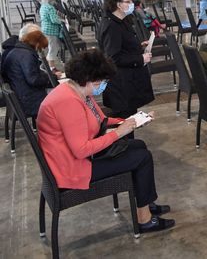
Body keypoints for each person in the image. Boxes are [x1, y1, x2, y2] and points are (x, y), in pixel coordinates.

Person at [37, 50, 174, 233]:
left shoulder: (77, 90)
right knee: (142, 157)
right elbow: (81, 150)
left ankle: (146, 202)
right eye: (101, 82)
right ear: (89, 80)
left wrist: (130, 120)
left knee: (139, 146)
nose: (103, 86)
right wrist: (118, 133)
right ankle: (144, 219)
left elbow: (100, 121)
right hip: (72, 168)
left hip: (76, 158)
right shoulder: (68, 102)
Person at [97, 0, 154, 118]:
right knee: (125, 122)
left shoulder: (121, 21)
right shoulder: (111, 25)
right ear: (118, 5)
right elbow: (113, 57)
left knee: (130, 119)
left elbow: (119, 46)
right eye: (128, 1)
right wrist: (140, 59)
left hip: (127, 82)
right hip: (120, 85)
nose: (131, 4)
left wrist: (138, 46)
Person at [2, 24, 58, 119]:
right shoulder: (26, 55)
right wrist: (50, 78)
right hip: (29, 102)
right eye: (39, 47)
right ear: (35, 43)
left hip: (21, 96)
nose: (39, 50)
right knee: (63, 99)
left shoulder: (15, 51)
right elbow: (33, 79)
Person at [39, 0, 64, 70]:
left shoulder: (43, 6)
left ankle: (46, 65)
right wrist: (62, 21)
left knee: (51, 48)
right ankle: (52, 68)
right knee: (53, 48)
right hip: (51, 31)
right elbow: (54, 20)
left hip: (45, 29)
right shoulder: (50, 7)